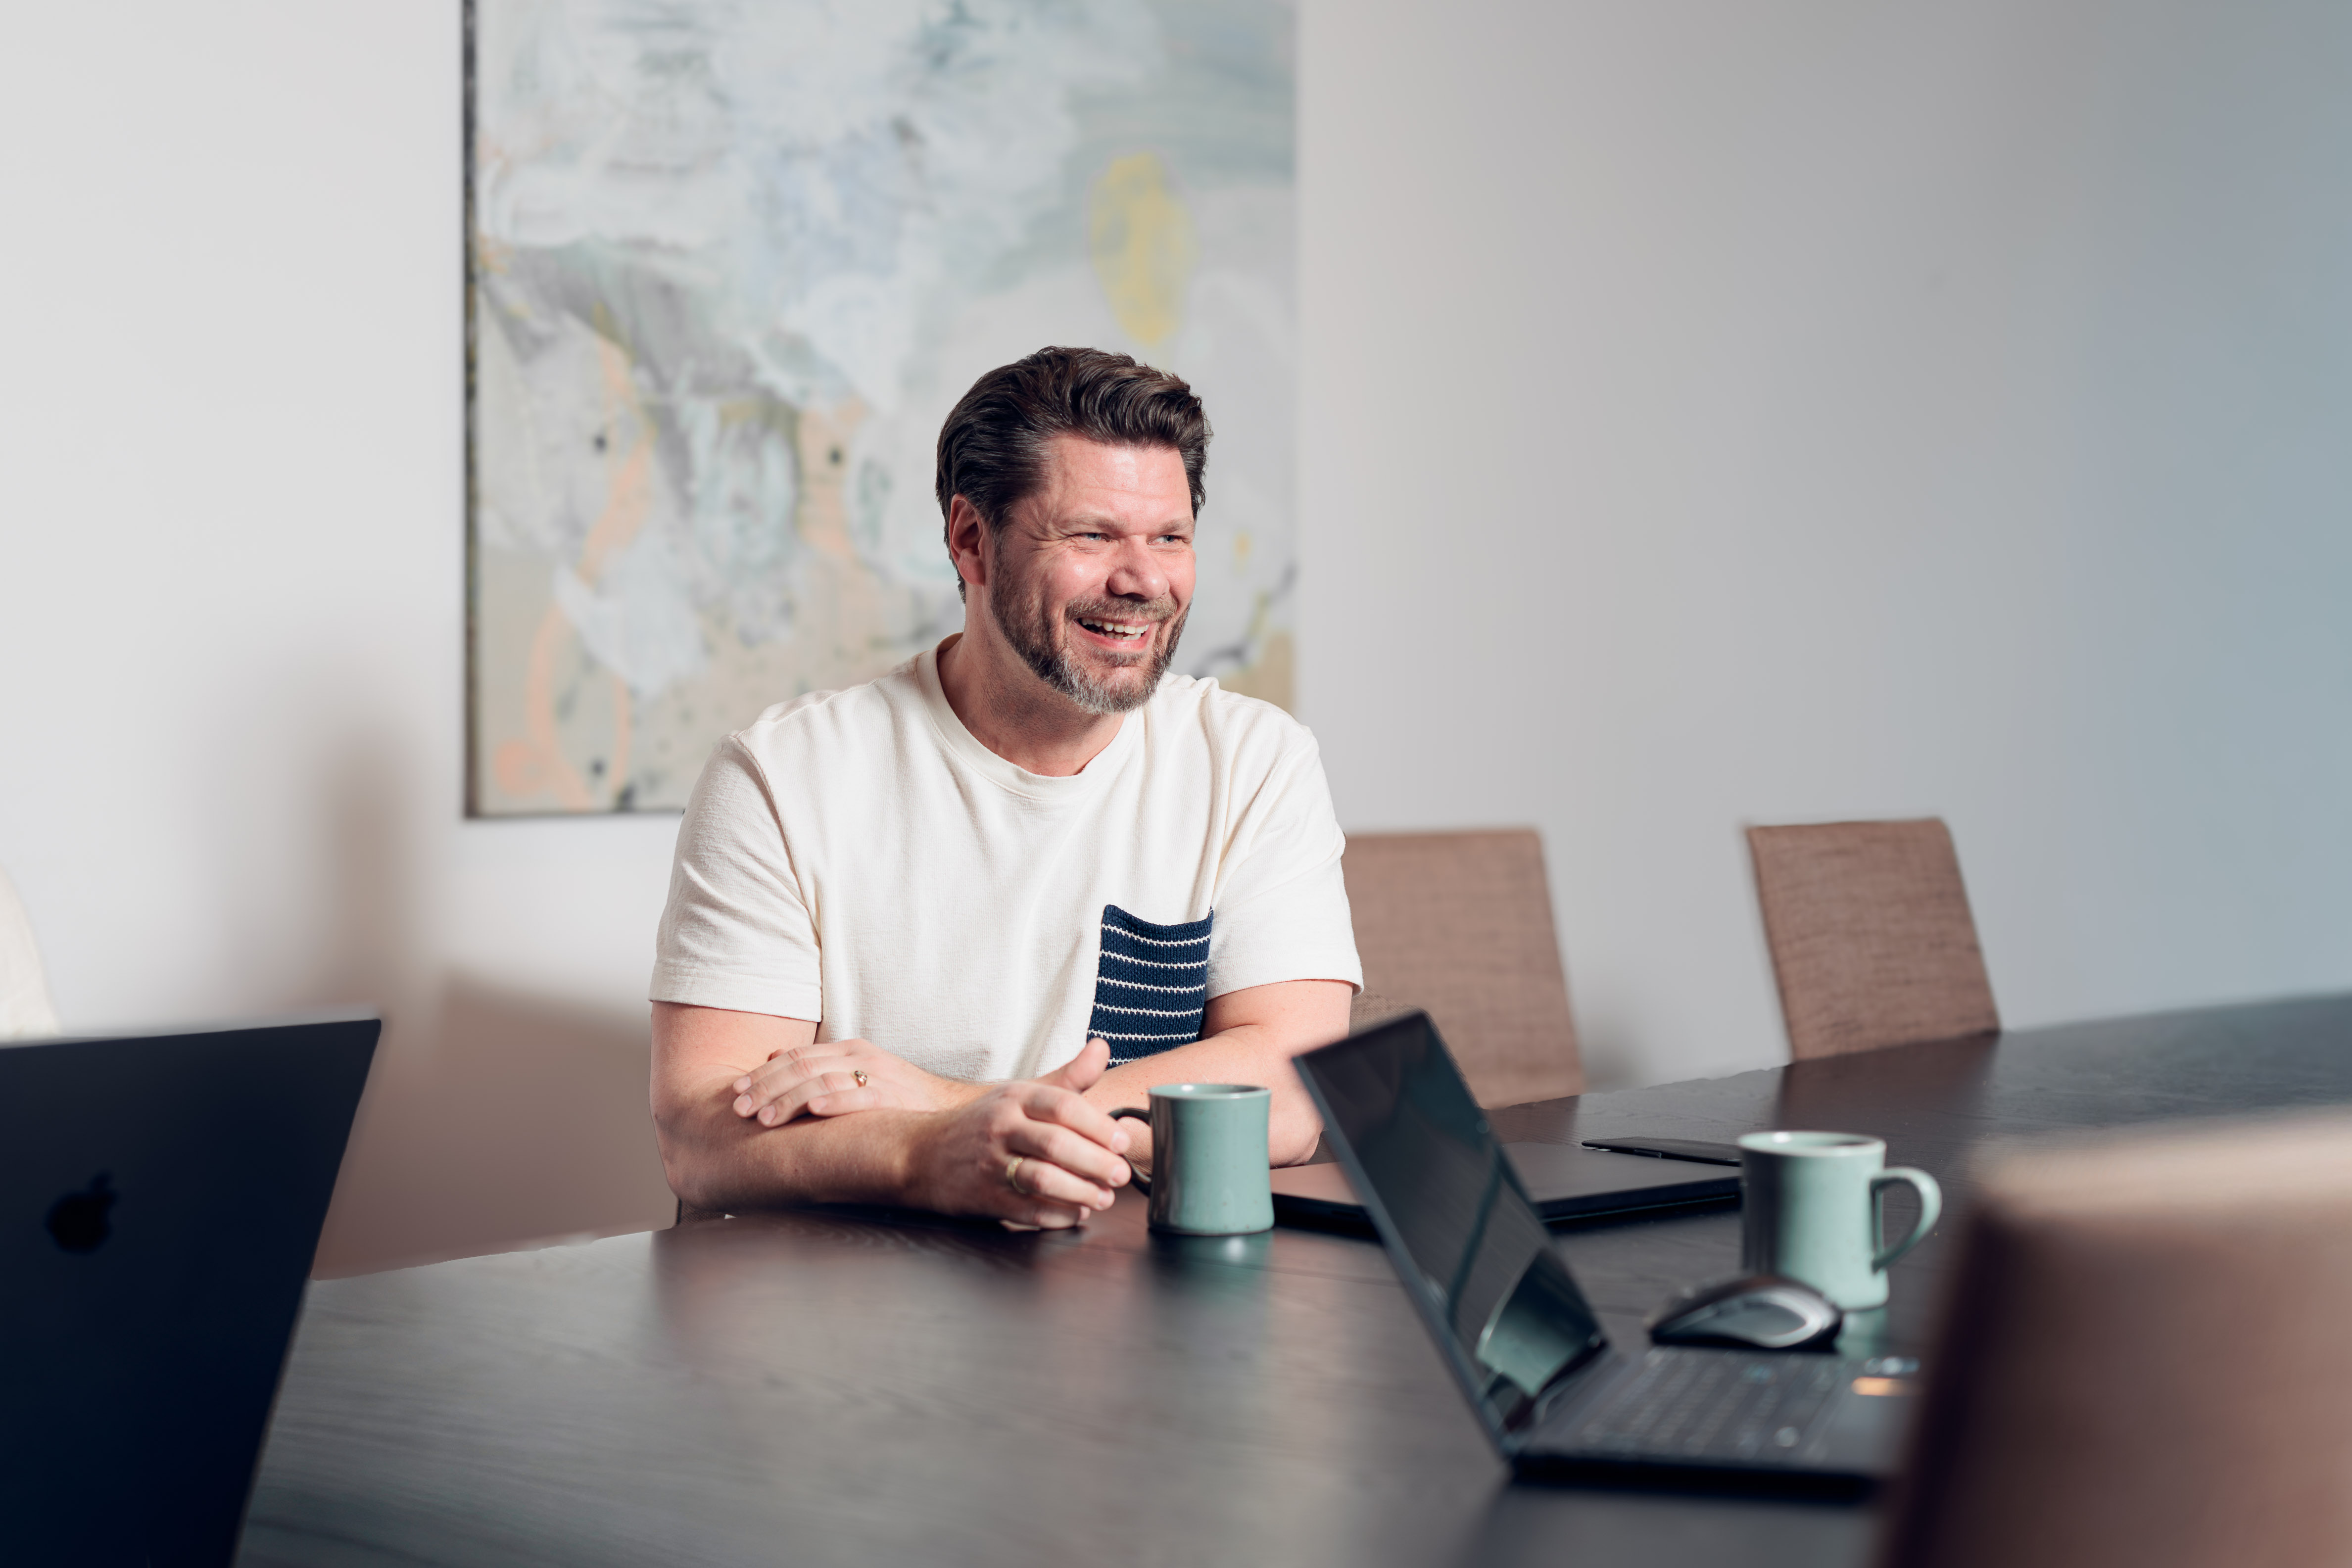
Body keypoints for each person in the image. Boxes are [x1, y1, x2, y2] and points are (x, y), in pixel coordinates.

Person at [649, 347, 1360, 1229]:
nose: (1143, 580)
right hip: (849, 1309)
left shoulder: (1253, 760)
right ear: (970, 539)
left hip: (1134, 1302)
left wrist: (947, 1100)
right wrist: (924, 1154)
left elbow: (1297, 1086)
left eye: (1169, 537)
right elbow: (702, 1137)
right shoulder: (782, 776)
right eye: (1092, 535)